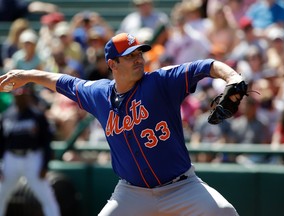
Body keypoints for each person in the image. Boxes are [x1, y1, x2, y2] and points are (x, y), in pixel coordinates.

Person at [0, 32, 242, 216]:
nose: (138, 59)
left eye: (139, 54)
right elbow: (62, 81)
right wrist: (28, 75)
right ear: (112, 64)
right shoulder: (98, 93)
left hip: (181, 187)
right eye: (130, 56)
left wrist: (233, 77)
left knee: (225, 212)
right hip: (132, 193)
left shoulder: (160, 82)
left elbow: (206, 66)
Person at [0, 85, 60, 216]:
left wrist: (45, 165)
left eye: (23, 94)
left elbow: (46, 142)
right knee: (1, 195)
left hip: (32, 158)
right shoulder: (7, 116)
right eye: (18, 94)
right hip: (11, 159)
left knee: (47, 197)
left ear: (28, 96)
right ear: (14, 96)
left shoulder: (37, 115)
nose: (20, 96)